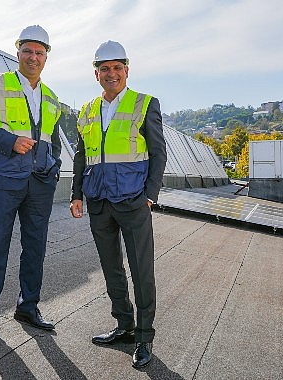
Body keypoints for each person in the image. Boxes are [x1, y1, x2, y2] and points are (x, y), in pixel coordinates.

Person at [70, 40, 167, 368]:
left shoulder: (145, 104)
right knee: (112, 269)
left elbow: (158, 152)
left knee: (142, 271)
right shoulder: (85, 111)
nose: (111, 74)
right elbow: (82, 155)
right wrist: (76, 194)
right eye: (105, 69)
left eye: (117, 68)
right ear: (96, 73)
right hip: (98, 201)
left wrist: (150, 194)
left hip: (132, 199)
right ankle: (123, 325)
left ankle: (144, 336)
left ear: (127, 71)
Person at [0, 25, 62, 345]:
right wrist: (10, 141)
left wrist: (54, 171)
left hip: (39, 184)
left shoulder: (51, 97)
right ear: (18, 52)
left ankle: (28, 307)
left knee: (35, 248)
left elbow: (54, 142)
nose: (33, 57)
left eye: (40, 52)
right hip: (5, 179)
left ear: (46, 57)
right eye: (28, 51)